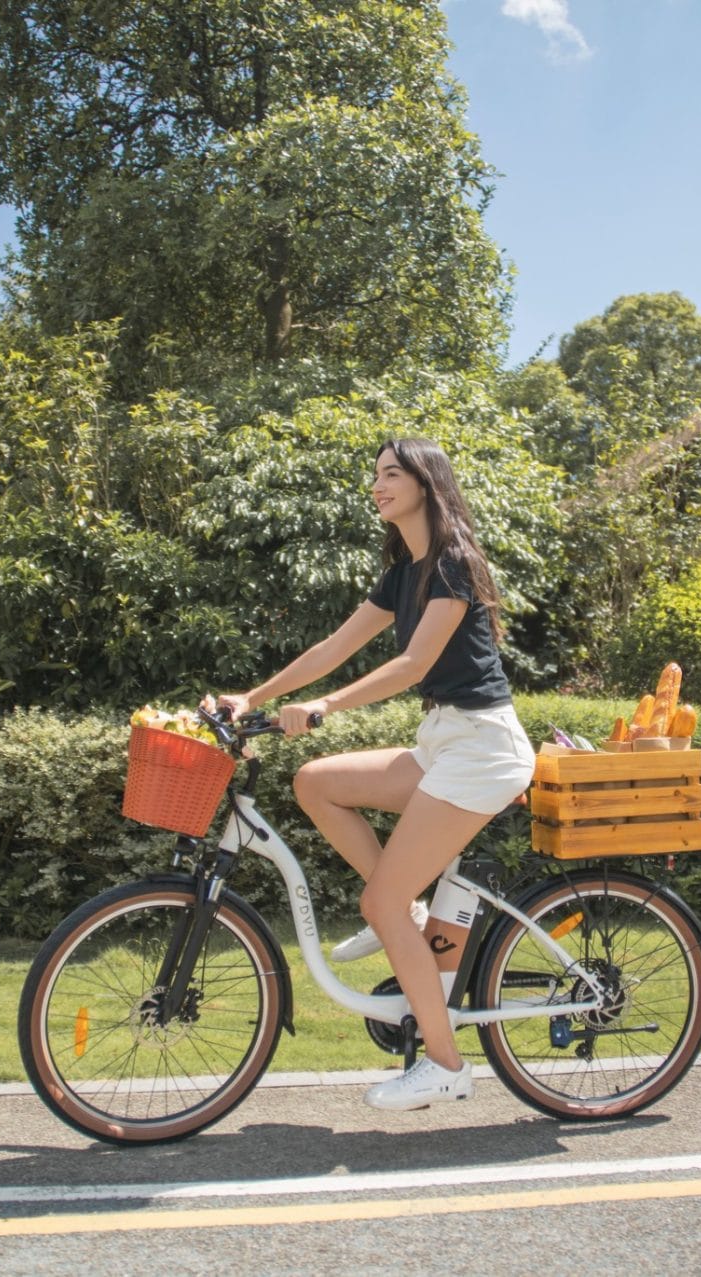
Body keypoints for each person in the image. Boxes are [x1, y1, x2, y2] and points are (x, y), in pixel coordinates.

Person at [205, 437, 536, 1111]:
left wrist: (325, 706)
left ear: (425, 482)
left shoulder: (452, 563)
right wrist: (255, 697)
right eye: (376, 474)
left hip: (482, 750)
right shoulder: (405, 571)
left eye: (392, 473)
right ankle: (408, 913)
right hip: (445, 743)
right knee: (317, 783)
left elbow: (414, 664)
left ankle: (445, 1065)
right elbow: (334, 646)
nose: (378, 484)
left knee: (376, 904)